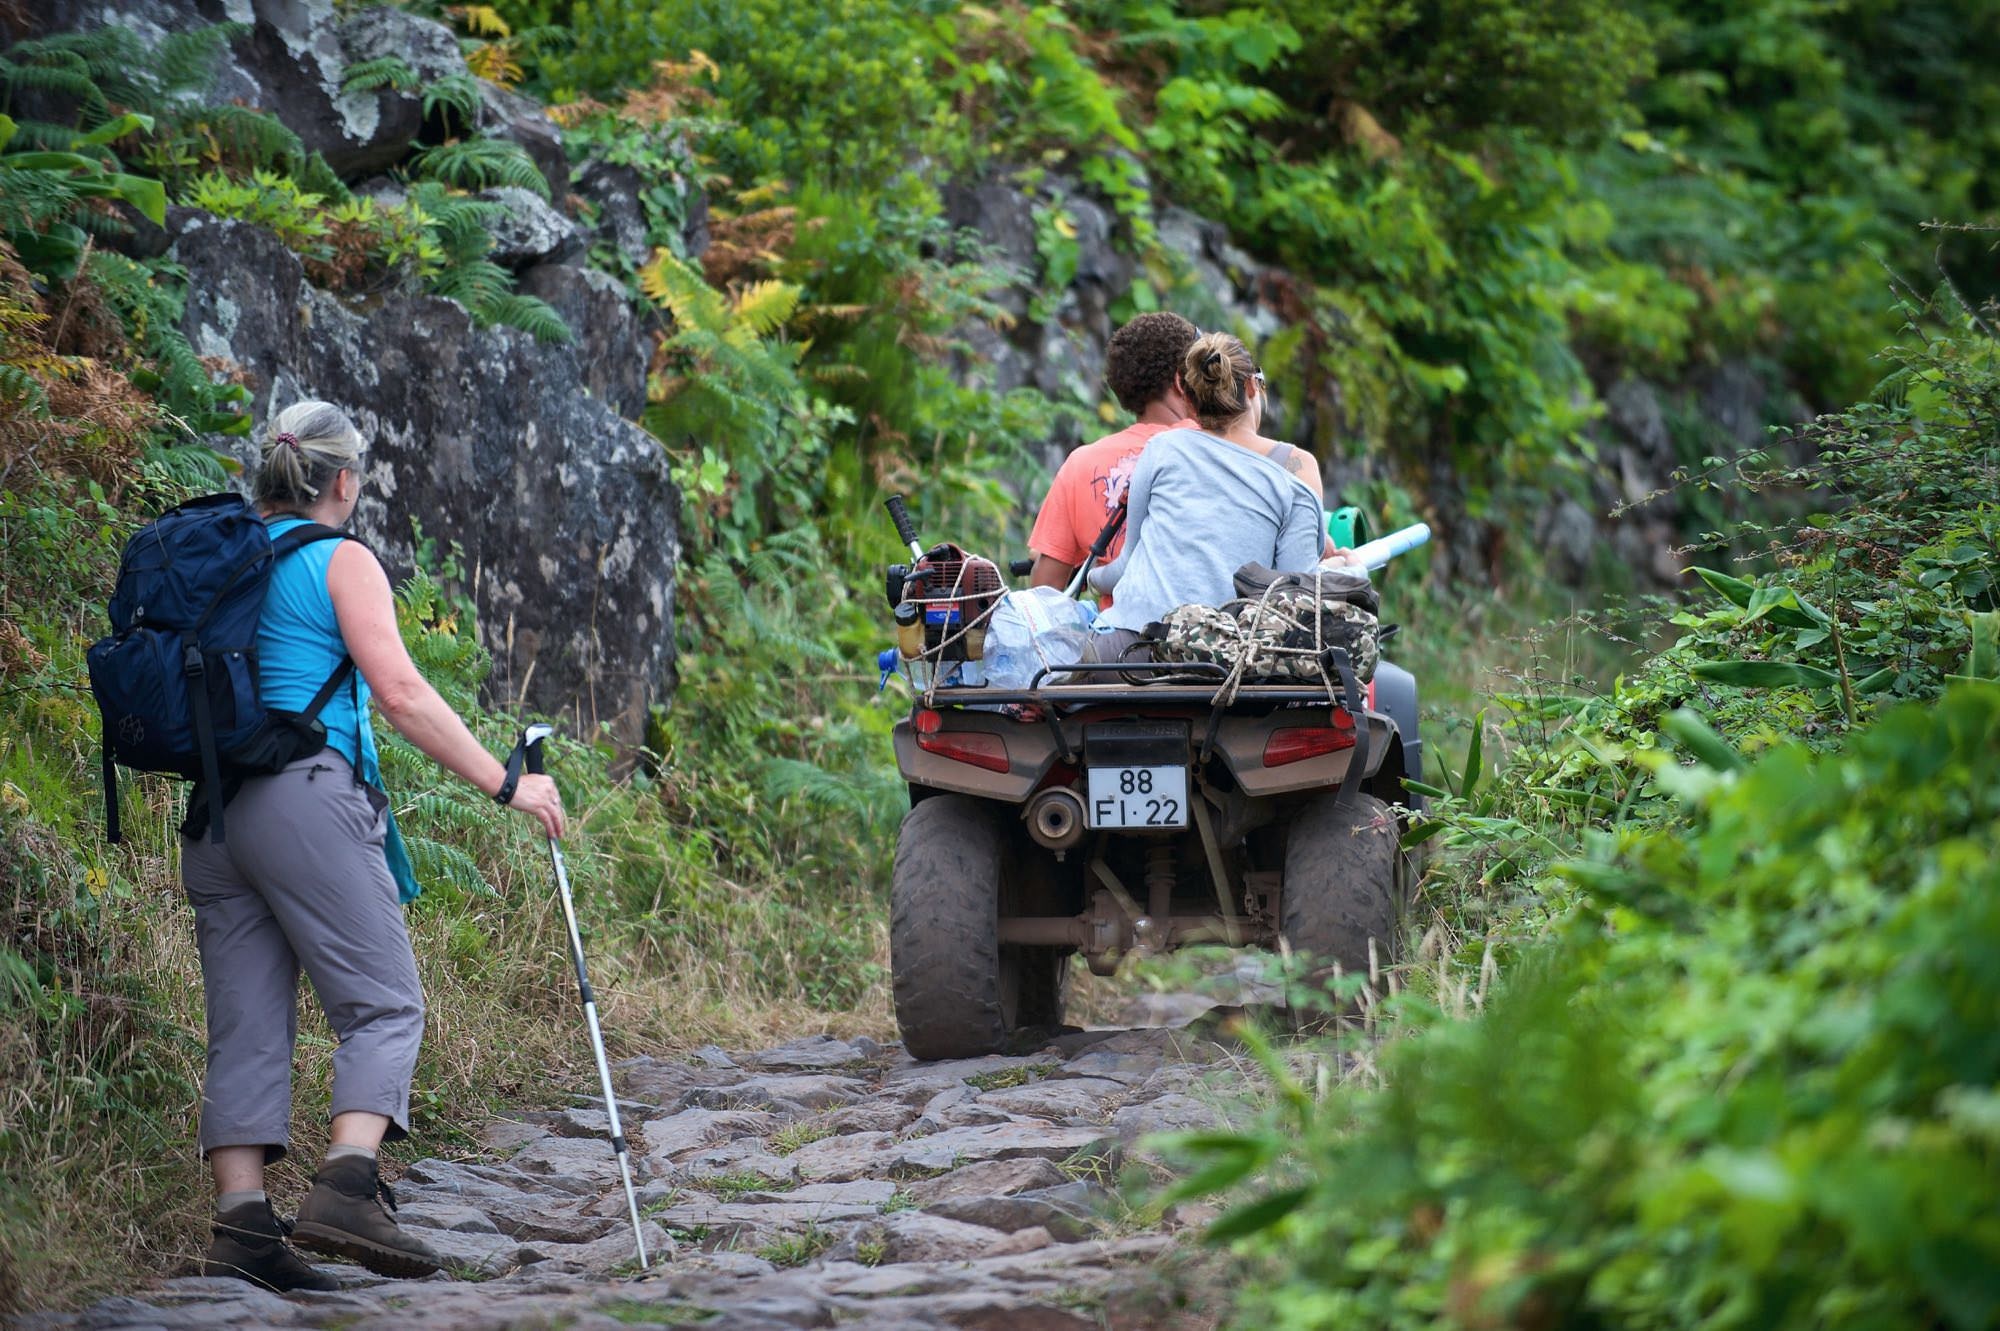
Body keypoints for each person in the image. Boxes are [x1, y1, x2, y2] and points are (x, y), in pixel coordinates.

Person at [185, 401, 566, 1292]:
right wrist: (507, 783)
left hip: (214, 815)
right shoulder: (339, 559)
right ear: (344, 482)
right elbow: (399, 691)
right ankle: (347, 1183)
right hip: (304, 802)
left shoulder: (225, 558)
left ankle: (241, 1225)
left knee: (246, 1024)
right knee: (386, 1004)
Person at [1086, 332, 1327, 660]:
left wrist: (1092, 577)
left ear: (1186, 395)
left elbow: (1127, 564)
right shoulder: (1295, 482)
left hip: (1131, 647)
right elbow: (1292, 603)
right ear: (1253, 387)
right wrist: (1349, 570)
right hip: (1223, 660)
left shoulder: (1162, 450)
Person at [1026, 312, 1201, 601]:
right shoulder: (1216, 450)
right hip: (1208, 638)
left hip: (1121, 643)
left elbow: (1044, 596)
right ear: (1182, 382)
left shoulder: (1080, 465)